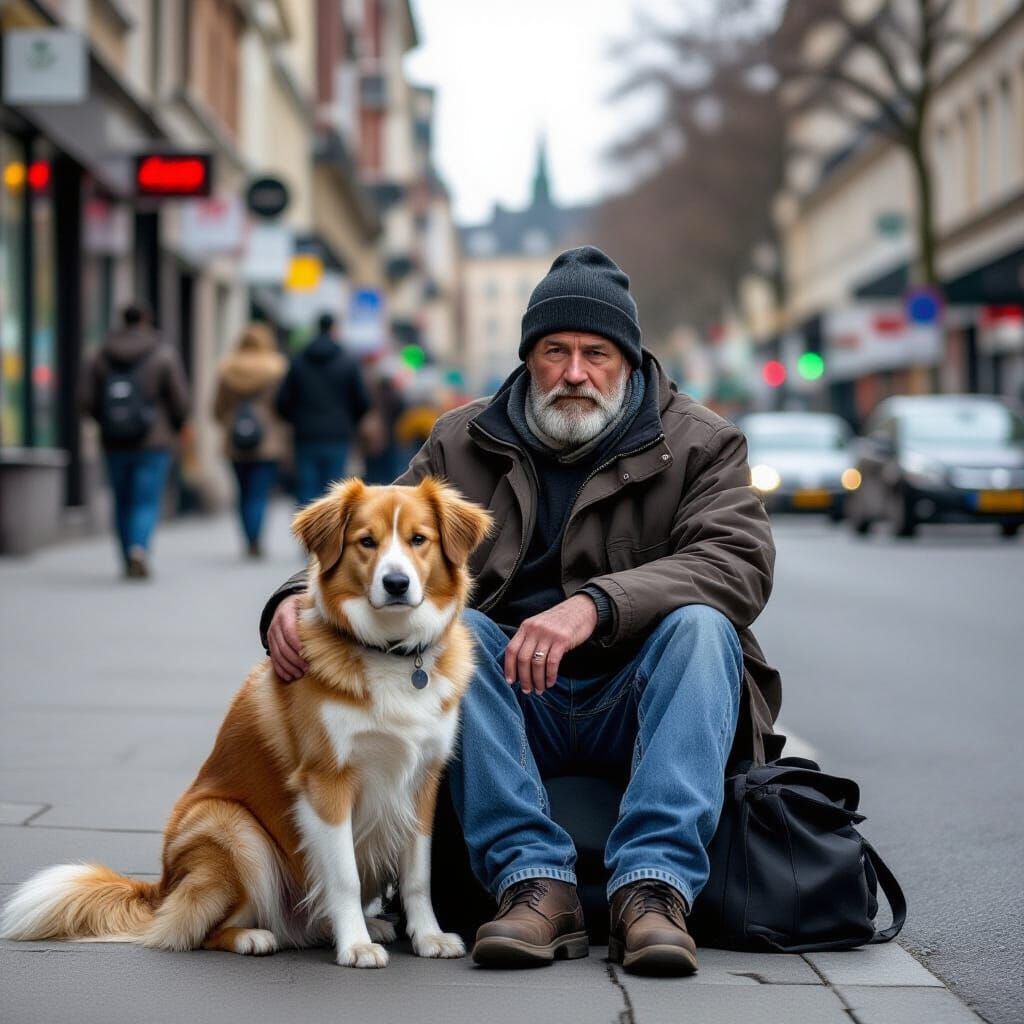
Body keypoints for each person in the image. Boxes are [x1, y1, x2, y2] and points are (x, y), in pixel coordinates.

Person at [259, 247, 780, 976]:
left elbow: (738, 563)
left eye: (596, 353)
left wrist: (595, 607)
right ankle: (534, 887)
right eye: (555, 351)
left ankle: (653, 893)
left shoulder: (702, 443)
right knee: (456, 635)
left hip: (640, 694)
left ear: (628, 361)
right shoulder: (460, 439)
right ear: (528, 358)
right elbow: (374, 534)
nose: (575, 373)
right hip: (507, 697)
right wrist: (291, 598)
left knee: (704, 629)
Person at [80, 302, 189, 579]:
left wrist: (109, 422)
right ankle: (139, 548)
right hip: (154, 441)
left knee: (122, 499)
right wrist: (176, 426)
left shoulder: (100, 354)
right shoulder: (163, 353)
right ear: (146, 320)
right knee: (145, 500)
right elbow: (180, 402)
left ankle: (126, 552)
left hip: (114, 442)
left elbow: (86, 400)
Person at [276, 312, 370, 506]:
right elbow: (363, 401)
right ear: (334, 329)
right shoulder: (347, 361)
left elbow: (283, 401)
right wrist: (349, 421)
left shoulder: (298, 361)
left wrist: (297, 420)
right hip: (337, 435)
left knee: (306, 490)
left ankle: (307, 534)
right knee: (334, 491)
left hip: (306, 435)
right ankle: (329, 534)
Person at [212, 322, 289, 558]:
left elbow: (216, 409)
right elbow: (283, 405)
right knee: (259, 492)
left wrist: (231, 419)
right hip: (267, 440)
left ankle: (248, 538)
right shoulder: (277, 368)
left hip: (235, 440)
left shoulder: (227, 368)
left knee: (243, 491)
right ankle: (256, 539)